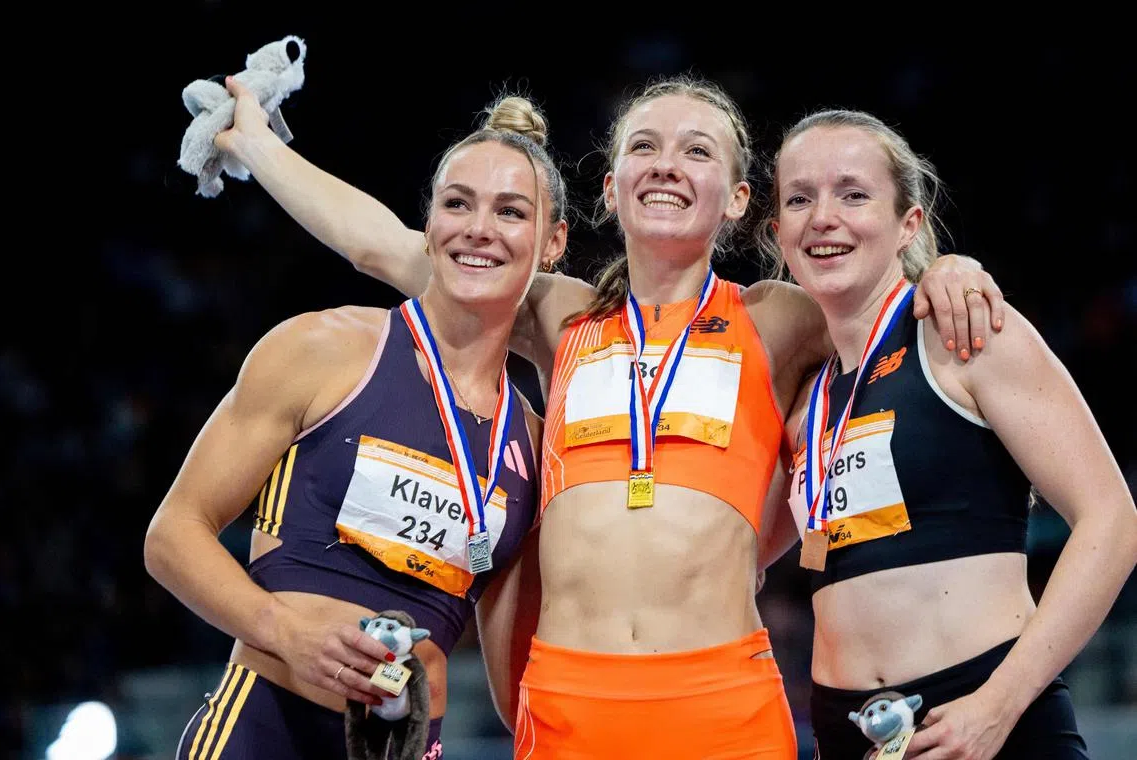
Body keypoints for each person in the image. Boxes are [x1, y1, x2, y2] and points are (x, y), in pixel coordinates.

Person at [212, 74, 1003, 758]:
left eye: (697, 151)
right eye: (644, 147)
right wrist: (255, 143)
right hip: (567, 708)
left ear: (736, 200)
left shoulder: (778, 318)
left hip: (724, 702)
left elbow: (871, 284)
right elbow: (383, 246)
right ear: (610, 185)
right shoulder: (560, 314)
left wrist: (947, 269)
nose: (666, 164)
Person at [145, 94, 569, 759]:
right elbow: (171, 536)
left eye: (510, 212)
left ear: (553, 244)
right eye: (457, 204)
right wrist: (283, 631)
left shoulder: (538, 447)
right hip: (262, 729)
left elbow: (519, 677)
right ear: (427, 224)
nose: (479, 229)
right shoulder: (324, 349)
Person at [754, 108, 1137, 759]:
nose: (824, 215)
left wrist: (999, 704)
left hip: (987, 719)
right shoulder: (804, 401)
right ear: (778, 233)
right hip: (846, 733)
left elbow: (1114, 520)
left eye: (853, 193)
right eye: (800, 198)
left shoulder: (967, 335)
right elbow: (739, 562)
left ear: (910, 223)